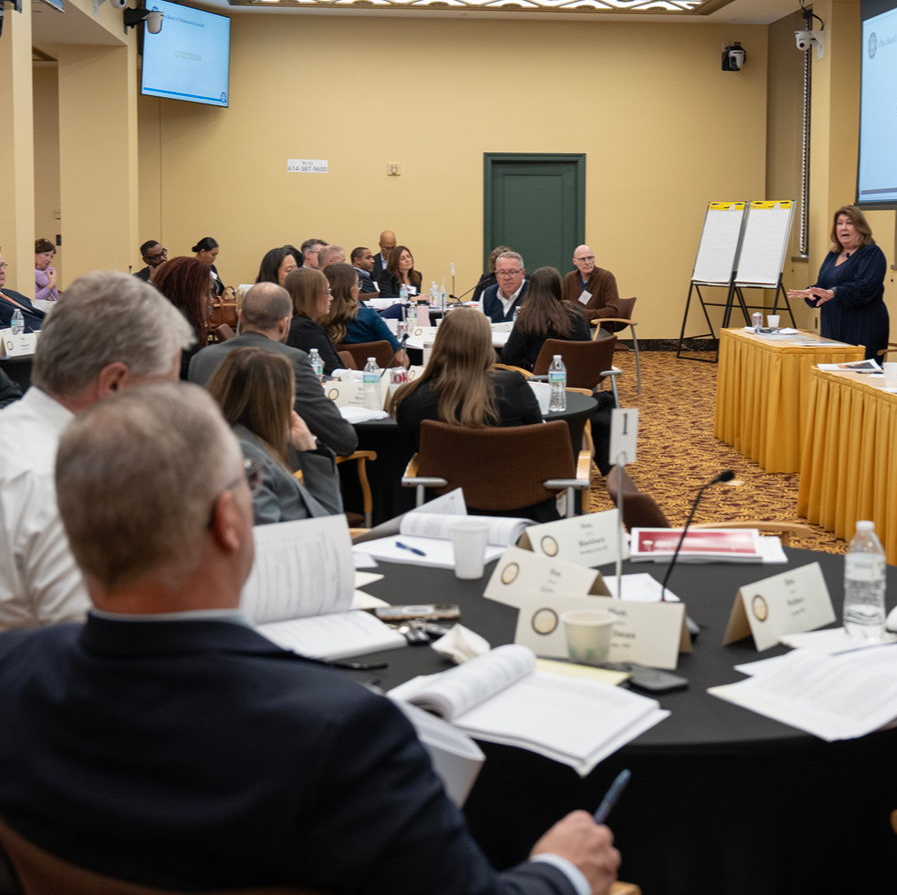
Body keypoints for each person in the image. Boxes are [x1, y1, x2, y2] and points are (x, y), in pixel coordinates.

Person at [0, 382, 619, 895]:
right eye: (247, 475)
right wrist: (563, 872)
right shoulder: (344, 735)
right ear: (227, 521)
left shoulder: (13, 673)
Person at [0, 272, 191, 631]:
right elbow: (93, 654)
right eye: (163, 391)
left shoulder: (15, 434)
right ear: (114, 384)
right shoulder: (69, 488)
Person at [189, 282, 358, 457]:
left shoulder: (201, 358)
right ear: (284, 324)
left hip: (210, 468)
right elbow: (343, 439)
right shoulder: (291, 360)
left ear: (240, 317)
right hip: (276, 473)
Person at [389, 307, 543, 466]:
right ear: (486, 345)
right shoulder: (514, 386)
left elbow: (415, 448)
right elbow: (539, 436)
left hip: (444, 488)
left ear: (440, 343)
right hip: (513, 485)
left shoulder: (410, 398)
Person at [207, 348, 343, 524]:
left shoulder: (231, 441)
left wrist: (309, 448)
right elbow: (328, 525)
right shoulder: (247, 456)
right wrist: (311, 452)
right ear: (276, 399)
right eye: (291, 393)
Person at [787, 205, 889, 359]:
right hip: (832, 323)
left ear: (860, 227)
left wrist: (834, 292)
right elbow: (823, 284)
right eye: (839, 223)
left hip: (862, 325)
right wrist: (812, 292)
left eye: (849, 223)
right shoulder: (834, 254)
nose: (843, 228)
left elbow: (865, 287)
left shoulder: (871, 253)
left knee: (857, 373)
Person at [502, 266, 591, 372]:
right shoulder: (576, 313)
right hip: (582, 378)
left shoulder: (526, 318)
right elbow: (587, 349)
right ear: (558, 287)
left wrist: (527, 367)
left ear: (532, 289)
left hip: (542, 380)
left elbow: (509, 355)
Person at [324, 262, 405, 365]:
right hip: (378, 376)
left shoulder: (318, 320)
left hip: (340, 376)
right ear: (350, 288)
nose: (359, 290)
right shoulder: (368, 316)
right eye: (357, 284)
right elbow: (401, 359)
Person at [152, 256, 213, 380]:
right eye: (207, 293)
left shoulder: (158, 325)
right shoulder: (185, 344)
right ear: (189, 296)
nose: (212, 300)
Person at [283, 267, 344, 375]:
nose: (331, 298)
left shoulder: (288, 324)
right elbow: (333, 371)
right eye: (327, 292)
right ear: (311, 295)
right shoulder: (306, 329)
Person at [562, 245, 620, 324]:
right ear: (574, 261)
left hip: (598, 327)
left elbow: (613, 311)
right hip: (573, 327)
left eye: (590, 258)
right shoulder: (570, 278)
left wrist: (581, 314)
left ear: (594, 259)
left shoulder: (606, 277)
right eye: (582, 259)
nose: (587, 262)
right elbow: (561, 305)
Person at [0, 249, 47, 332]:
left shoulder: (12, 294)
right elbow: (4, 333)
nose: (2, 271)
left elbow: (38, 311)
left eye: (2, 266)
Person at [481, 251, 529, 324]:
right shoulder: (487, 294)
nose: (507, 277)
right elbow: (478, 327)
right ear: (496, 275)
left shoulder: (534, 293)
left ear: (523, 273)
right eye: (502, 272)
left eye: (512, 272)